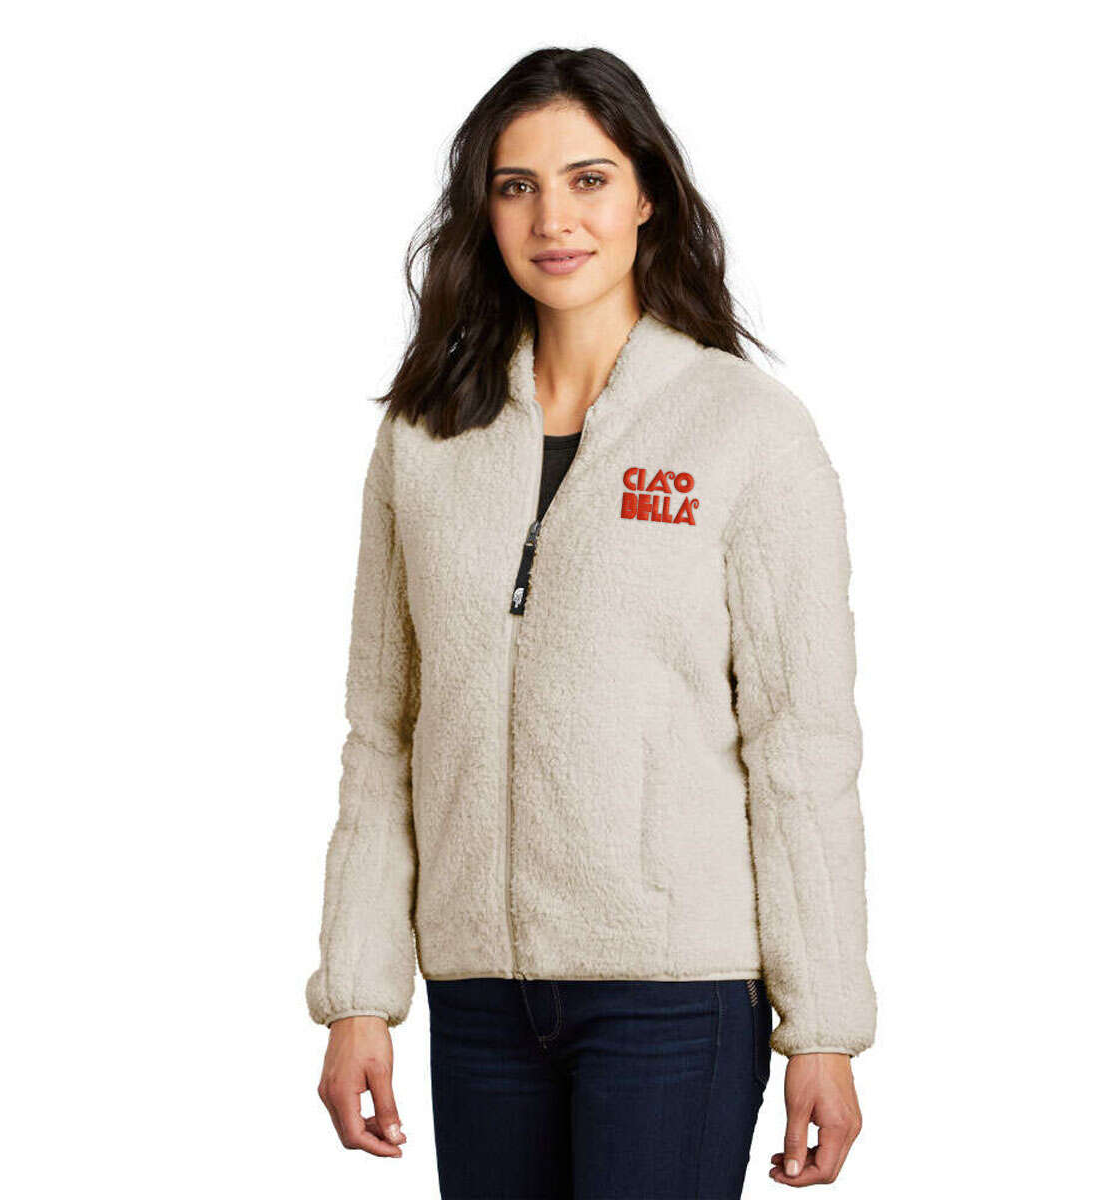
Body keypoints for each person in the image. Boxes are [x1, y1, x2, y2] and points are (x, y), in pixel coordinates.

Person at [306, 46, 876, 1198]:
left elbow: (801, 743)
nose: (552, 219)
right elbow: (383, 733)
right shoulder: (424, 438)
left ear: (647, 194)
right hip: (479, 998)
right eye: (516, 186)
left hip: (675, 996)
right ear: (483, 211)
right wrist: (360, 994)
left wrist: (824, 1023)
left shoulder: (744, 429)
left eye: (589, 179)